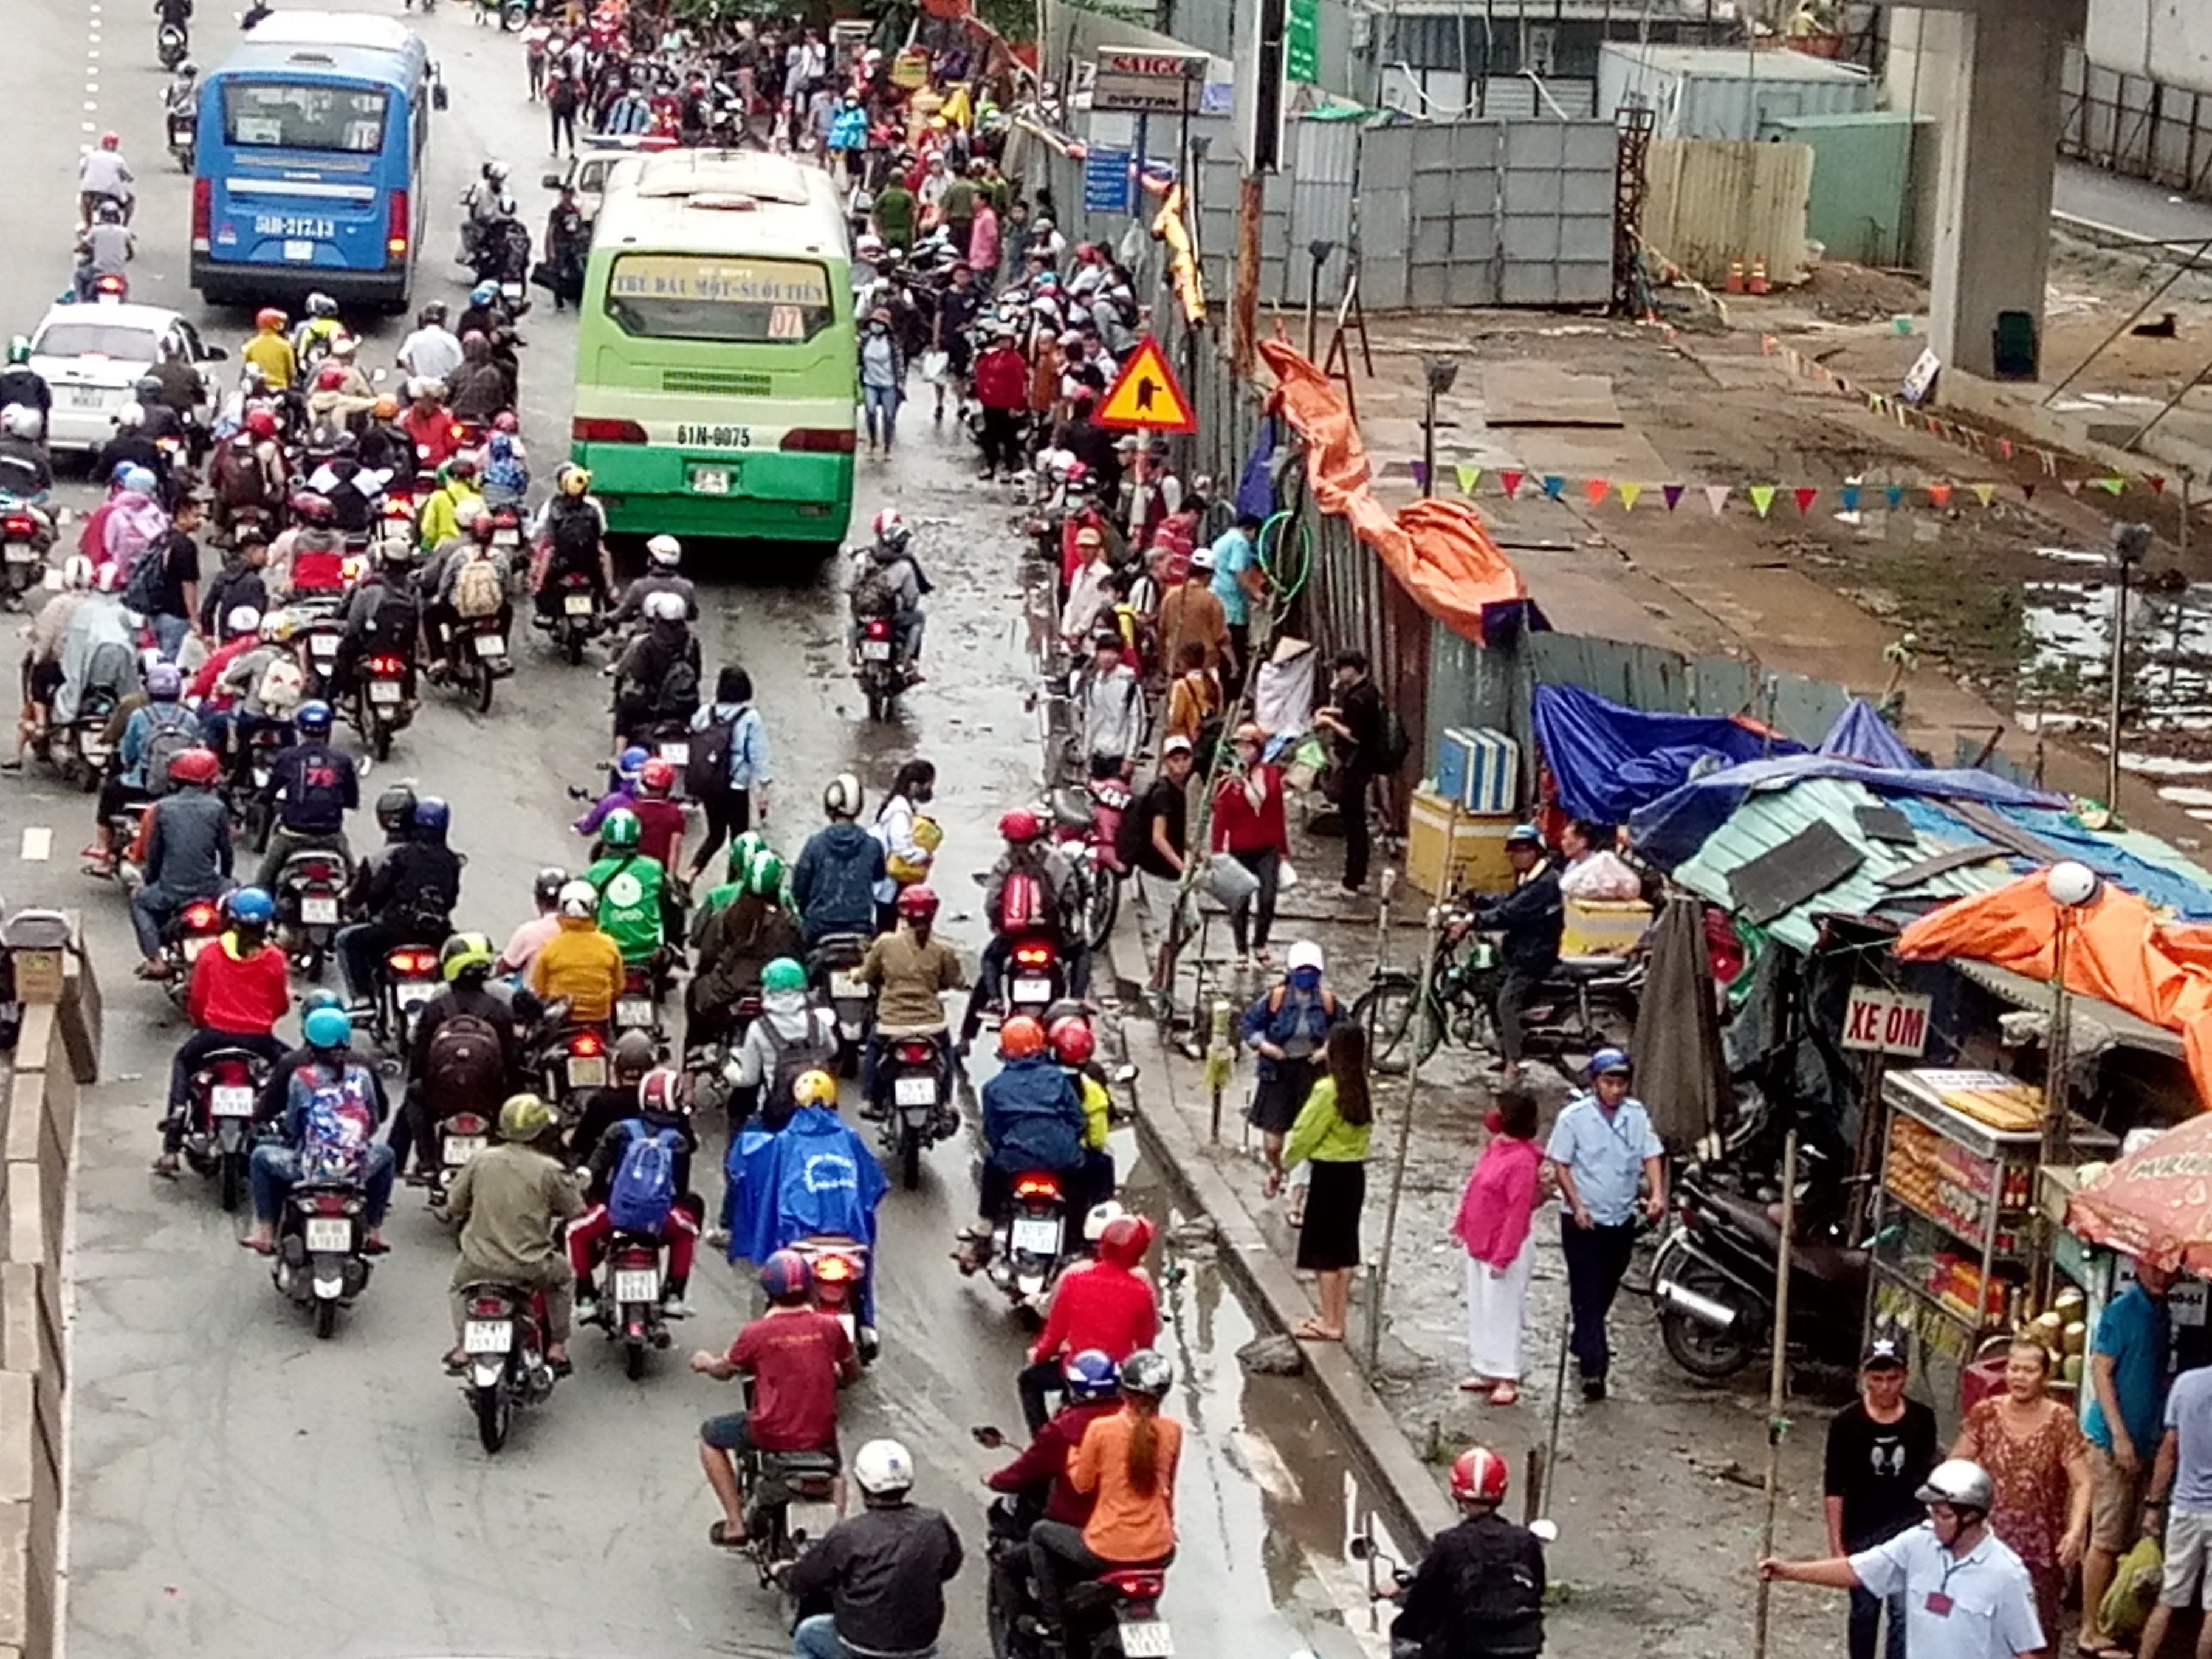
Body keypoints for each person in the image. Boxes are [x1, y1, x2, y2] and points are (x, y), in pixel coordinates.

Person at [1760, 1459, 2047, 1659]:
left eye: (1943, 1515)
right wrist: (1790, 1571)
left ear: (1970, 1516)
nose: (1933, 1521)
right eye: (1931, 1512)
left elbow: (2026, 1650)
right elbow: (1858, 1570)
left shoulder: (2006, 1574)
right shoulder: (1918, 1543)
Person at [693, 1249, 861, 1547]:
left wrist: (706, 1362)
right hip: (820, 1434)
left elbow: (725, 1370)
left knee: (710, 1437)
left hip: (770, 1433)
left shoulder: (756, 1333)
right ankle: (836, 1541)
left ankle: (735, 1524)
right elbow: (853, 1373)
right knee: (837, 1475)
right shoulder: (830, 1327)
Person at [1028, 1348, 1180, 1638]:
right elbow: (1167, 1488)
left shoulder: (1101, 1429)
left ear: (1123, 1390)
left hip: (1107, 1547)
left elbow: (1083, 1484)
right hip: (1161, 1549)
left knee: (1040, 1534)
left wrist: (1074, 1454)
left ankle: (1052, 1622)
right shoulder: (1173, 1431)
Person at [1544, 1049, 1664, 1402]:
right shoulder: (1573, 1118)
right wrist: (1577, 1205)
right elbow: (1561, 1166)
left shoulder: (1637, 1116)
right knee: (1587, 1292)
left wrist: (1658, 1193)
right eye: (1609, 1083)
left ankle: (1583, 1338)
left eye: (1621, 1083)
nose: (1615, 1090)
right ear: (1596, 1083)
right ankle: (1594, 1369)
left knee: (1609, 1284)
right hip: (1582, 1220)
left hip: (1620, 1218)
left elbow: (1651, 1155)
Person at [1953, 1339, 2087, 1647]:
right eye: (2014, 1369)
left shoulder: (2061, 1421)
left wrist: (2076, 1531)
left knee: (2037, 1633)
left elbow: (2083, 1483)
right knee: (1980, 1626)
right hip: (1988, 1542)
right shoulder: (1985, 1413)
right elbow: (1957, 1467)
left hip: (2041, 1549)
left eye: (2029, 1371)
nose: (2019, 1377)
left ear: (2044, 1376)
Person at [779, 1438, 963, 1659]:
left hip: (862, 1646)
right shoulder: (935, 1523)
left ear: (862, 1482)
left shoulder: (849, 1534)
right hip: (922, 1646)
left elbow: (805, 1580)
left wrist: (782, 1571)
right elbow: (950, 1567)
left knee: (808, 1635)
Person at [442, 1093, 586, 1374]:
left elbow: (454, 1205)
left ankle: (463, 1346)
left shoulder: (480, 1160)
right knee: (564, 1277)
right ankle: (557, 1346)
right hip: (531, 1267)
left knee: (458, 1287)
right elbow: (576, 1212)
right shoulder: (550, 1170)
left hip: (478, 1264)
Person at [156, 887, 291, 1176]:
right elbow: (280, 1005)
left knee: (183, 1061)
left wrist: (200, 1021)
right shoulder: (275, 959)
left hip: (214, 1034)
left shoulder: (211, 954)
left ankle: (173, 1136)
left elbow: (197, 999)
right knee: (291, 1070)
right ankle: (288, 1129)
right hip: (260, 1040)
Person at [240, 1006, 396, 1256]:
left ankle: (267, 1234)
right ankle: (375, 1232)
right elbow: (374, 1121)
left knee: (259, 1157)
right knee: (387, 1155)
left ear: (310, 1044)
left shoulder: (301, 1077)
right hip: (356, 1169)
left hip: (308, 1170)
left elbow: (292, 1126)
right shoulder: (363, 1075)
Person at [2079, 1259, 2176, 1659]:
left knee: (2130, 1538)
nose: (2161, 1274)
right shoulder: (2123, 1310)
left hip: (2146, 1441)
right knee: (2105, 1538)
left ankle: (2114, 1618)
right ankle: (2088, 1628)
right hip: (2111, 1441)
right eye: (2155, 1267)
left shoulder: (2162, 1313)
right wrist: (2119, 1436)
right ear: (2138, 1264)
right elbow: (2101, 1371)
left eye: (2168, 1268)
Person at [1265, 1020, 1372, 1343]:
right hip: (1354, 1174)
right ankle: (1337, 1318)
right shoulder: (1360, 1086)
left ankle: (1329, 1321)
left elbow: (1304, 1133)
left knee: (1325, 1252)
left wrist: (1282, 1167)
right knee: (1346, 1249)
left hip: (1328, 1175)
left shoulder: (1328, 1089)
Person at [568, 1066, 702, 1317]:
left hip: (616, 1217)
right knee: (688, 1232)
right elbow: (681, 1186)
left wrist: (585, 1176)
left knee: (575, 1233)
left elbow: (596, 1165)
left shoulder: (620, 1130)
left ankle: (585, 1296)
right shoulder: (679, 1139)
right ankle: (674, 1293)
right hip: (660, 1221)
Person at [1392, 1445, 1547, 1659]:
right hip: (1519, 1652)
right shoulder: (1526, 1542)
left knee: (1405, 1640)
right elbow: (1538, 1590)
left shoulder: (1449, 1544)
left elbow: (1422, 1602)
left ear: (1457, 1492)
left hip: (1462, 1651)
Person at [959, 1015, 1087, 1271]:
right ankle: (1076, 1243)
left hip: (1015, 1160)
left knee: (992, 1167)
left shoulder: (994, 1087)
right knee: (1078, 1193)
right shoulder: (1057, 1079)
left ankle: (985, 1222)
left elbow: (993, 1133)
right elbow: (1077, 1120)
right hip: (1061, 1158)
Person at [1020, 1214, 1156, 1435]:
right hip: (1118, 1382)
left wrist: (1038, 1355)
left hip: (1074, 1372)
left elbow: (1053, 1337)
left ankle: (1043, 1442)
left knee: (1028, 1380)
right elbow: (1145, 1349)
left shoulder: (1075, 1280)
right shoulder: (1141, 1292)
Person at [1451, 1087, 1546, 1404]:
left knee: (1504, 1311)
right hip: (1479, 1241)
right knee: (1482, 1308)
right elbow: (1476, 1188)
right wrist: (1462, 1224)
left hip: (1506, 1248)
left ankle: (1507, 1374)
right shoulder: (1495, 1148)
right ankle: (1485, 1367)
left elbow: (1518, 1212)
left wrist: (1504, 1255)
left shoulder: (1522, 1161)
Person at [335, 796, 462, 1008]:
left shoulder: (402, 855)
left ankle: (362, 999)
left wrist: (373, 911)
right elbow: (451, 899)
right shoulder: (451, 861)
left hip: (397, 931)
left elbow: (378, 893)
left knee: (346, 940)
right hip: (437, 935)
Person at [1468, 825, 1563, 1090]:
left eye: (1525, 850)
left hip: (1533, 956)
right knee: (1490, 985)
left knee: (1505, 1004)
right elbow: (1508, 901)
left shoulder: (1545, 884)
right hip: (1520, 949)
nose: (1519, 856)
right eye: (1515, 851)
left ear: (1537, 851)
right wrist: (1478, 899)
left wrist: (1474, 921)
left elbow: (1511, 913)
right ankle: (1504, 1049)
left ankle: (1515, 1064)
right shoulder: (1530, 878)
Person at [687, 851, 803, 1062]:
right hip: (772, 994)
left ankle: (690, 1073)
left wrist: (703, 976)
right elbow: (798, 960)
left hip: (727, 993)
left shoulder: (725, 917)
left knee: (694, 995)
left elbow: (708, 956)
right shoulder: (788, 924)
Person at [130, 746, 232, 977]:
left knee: (139, 901)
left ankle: (155, 959)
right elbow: (226, 853)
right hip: (209, 888)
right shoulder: (217, 808)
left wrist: (152, 881)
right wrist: (225, 880)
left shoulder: (163, 808)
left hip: (170, 890)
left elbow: (155, 853)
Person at [1238, 941, 1341, 1164]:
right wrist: (1265, 1046)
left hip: (1311, 1071)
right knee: (1274, 1140)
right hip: (1278, 1073)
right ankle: (1277, 1168)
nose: (1306, 977)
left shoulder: (1327, 1002)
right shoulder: (1275, 999)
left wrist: (1327, 1049)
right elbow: (1248, 1026)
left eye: (1311, 972)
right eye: (1301, 972)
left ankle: (1299, 1179)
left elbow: (1345, 1031)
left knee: (1310, 1132)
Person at [2138, 1356, 2212, 1659]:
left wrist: (2153, 1504)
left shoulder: (2186, 1384)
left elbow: (2169, 1450)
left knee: (2168, 1597)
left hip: (2185, 1507)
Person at [253, 699, 357, 891]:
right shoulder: (342, 760)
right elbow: (351, 800)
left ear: (300, 729)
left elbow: (270, 792)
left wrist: (264, 798)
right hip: (331, 836)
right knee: (356, 883)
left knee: (262, 884)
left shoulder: (288, 757)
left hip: (293, 835)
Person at [726, 955, 840, 1130]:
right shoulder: (817, 1021)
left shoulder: (759, 1028)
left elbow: (749, 1078)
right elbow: (832, 1050)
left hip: (778, 1115)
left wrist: (729, 1071)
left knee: (743, 1134)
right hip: (821, 1108)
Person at [1211, 725, 1290, 966]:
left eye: (1249, 746)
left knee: (1267, 897)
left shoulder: (1271, 775)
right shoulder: (1227, 782)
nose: (1244, 751)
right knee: (1241, 901)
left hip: (1267, 846)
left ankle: (1261, 944)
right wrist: (1216, 852)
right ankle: (1241, 949)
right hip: (1239, 846)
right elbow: (1220, 818)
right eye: (1240, 747)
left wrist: (1283, 848)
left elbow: (1278, 812)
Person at [1313, 648, 1390, 895]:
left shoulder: (1360, 698)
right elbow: (1351, 717)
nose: (1338, 673)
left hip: (1355, 767)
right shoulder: (1364, 693)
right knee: (1355, 822)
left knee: (1354, 823)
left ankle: (1352, 880)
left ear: (1352, 669)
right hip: (1361, 765)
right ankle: (1357, 875)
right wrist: (1331, 712)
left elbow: (1355, 735)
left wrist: (1329, 722)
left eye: (1341, 669)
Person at [791, 774, 886, 949]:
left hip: (818, 928)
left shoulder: (815, 844)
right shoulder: (873, 846)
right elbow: (879, 881)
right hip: (861, 927)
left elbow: (799, 889)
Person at [527, 879, 624, 1028]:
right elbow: (618, 987)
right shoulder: (609, 945)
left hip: (561, 1023)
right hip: (599, 1021)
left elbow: (539, 989)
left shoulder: (551, 948)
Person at [583, 808, 668, 967]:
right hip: (648, 955)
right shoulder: (654, 868)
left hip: (606, 954)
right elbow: (667, 907)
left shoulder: (594, 873)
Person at [870, 758, 938, 928]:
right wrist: (924, 855)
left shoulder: (896, 806)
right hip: (889, 883)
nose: (929, 790)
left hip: (884, 879)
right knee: (887, 926)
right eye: (928, 785)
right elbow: (902, 849)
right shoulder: (900, 812)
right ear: (914, 785)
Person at [1207, 514, 1266, 698]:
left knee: (1223, 645)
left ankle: (1224, 691)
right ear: (1252, 530)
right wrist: (1256, 594)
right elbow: (1239, 572)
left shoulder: (1223, 540)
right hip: (1231, 602)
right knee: (1236, 646)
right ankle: (1236, 692)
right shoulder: (1240, 543)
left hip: (1218, 596)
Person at [1077, 630, 1144, 780]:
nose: (1108, 657)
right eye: (1104, 651)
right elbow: (1089, 718)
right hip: (1097, 754)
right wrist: (1086, 752)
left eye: (1113, 652)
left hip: (1118, 757)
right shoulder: (1092, 684)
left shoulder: (1130, 685)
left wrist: (1130, 757)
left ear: (1120, 657)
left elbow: (1137, 722)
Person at [496, 867, 570, 981]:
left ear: (537, 900)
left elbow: (503, 968)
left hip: (535, 995)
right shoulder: (587, 932)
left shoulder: (528, 932)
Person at [859, 308, 904, 455]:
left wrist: (901, 384)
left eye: (879, 323)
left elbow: (899, 364)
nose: (876, 326)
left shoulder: (892, 344)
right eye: (874, 323)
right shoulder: (865, 340)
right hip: (870, 383)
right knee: (870, 411)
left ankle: (887, 447)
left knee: (889, 416)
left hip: (888, 384)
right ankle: (873, 442)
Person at [397, 303, 465, 386]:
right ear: (443, 320)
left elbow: (402, 358)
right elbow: (460, 364)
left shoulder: (414, 337)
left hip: (419, 386)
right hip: (442, 386)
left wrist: (416, 376)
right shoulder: (451, 339)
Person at [241, 308, 296, 393]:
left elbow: (246, 369)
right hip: (280, 390)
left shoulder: (251, 345)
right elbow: (291, 372)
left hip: (257, 390)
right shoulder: (285, 346)